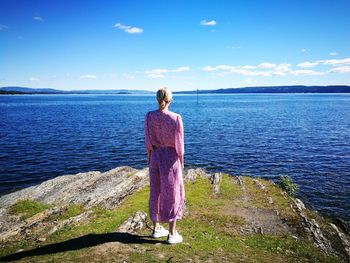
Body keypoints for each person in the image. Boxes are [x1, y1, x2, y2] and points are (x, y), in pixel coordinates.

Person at [144, 87, 185, 244]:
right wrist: (181, 162)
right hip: (170, 159)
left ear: (157, 99)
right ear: (170, 100)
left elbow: (148, 142)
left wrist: (150, 159)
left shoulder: (149, 116)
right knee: (173, 194)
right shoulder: (176, 118)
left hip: (155, 157)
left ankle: (156, 229)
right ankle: (172, 234)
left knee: (156, 192)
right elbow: (179, 146)